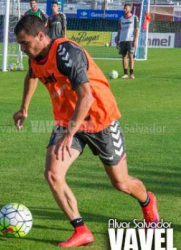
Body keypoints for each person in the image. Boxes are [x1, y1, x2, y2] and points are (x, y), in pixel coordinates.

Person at [13, 15, 159, 248]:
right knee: (52, 174)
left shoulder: (66, 53)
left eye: (24, 43)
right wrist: (24, 108)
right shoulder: (35, 56)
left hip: (100, 120)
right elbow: (32, 74)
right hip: (67, 122)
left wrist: (70, 133)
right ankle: (81, 230)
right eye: (19, 44)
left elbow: (87, 96)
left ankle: (148, 201)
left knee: (120, 182)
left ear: (41, 36)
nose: (22, 49)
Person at [117, 4, 139, 79]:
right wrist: (117, 41)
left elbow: (137, 29)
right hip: (122, 40)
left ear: (130, 9)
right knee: (123, 56)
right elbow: (119, 30)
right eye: (124, 8)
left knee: (131, 55)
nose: (124, 10)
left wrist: (135, 40)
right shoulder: (121, 19)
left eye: (126, 8)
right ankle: (125, 73)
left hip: (130, 39)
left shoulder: (134, 18)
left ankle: (132, 74)